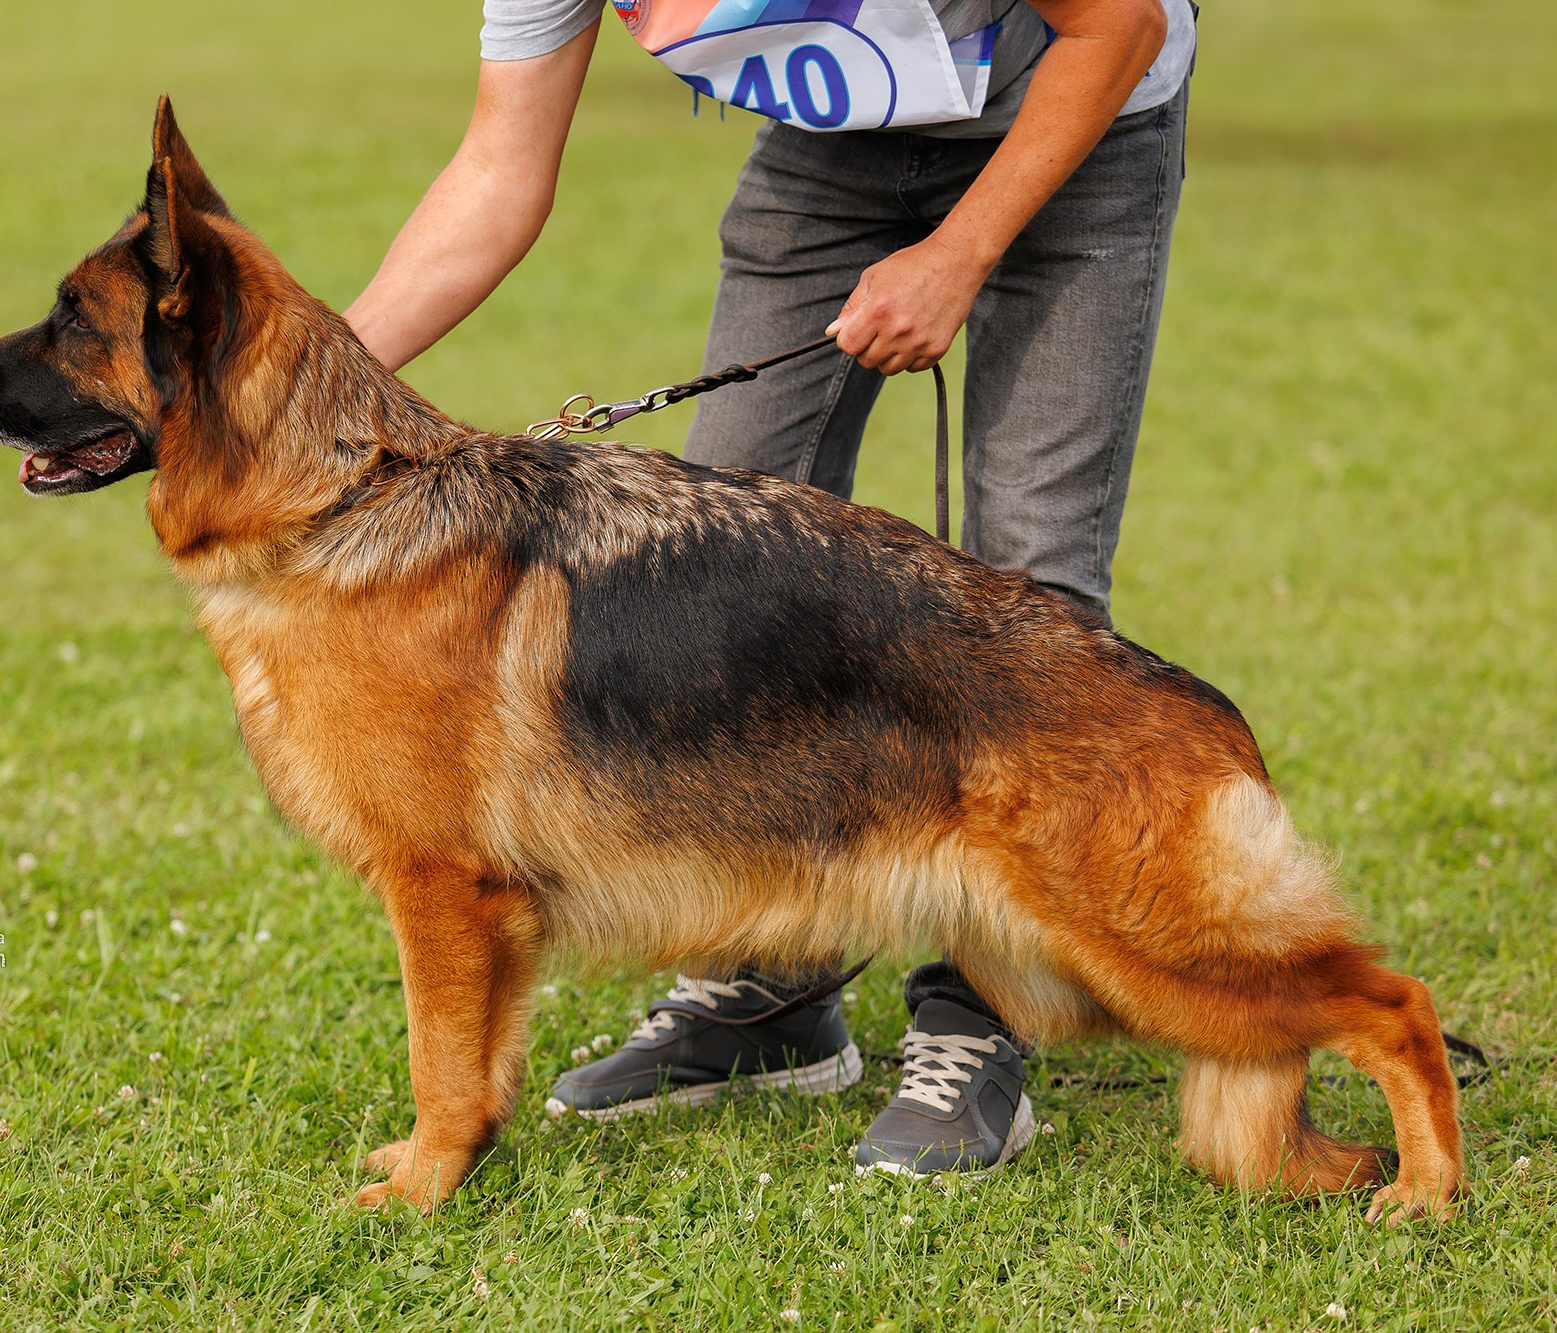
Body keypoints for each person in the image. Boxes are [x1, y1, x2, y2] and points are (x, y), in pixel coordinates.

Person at [344, 0, 1196, 1178]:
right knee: (715, 582)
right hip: (832, 148)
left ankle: (980, 1012)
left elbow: (1115, 26)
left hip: (1077, 113)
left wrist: (957, 252)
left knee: (1028, 586)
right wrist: (305, 390)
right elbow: (497, 170)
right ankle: (768, 996)